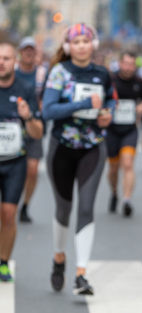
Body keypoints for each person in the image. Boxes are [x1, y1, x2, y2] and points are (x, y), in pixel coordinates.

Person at [42, 23, 115, 295]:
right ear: (68, 46)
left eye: (86, 40)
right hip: (61, 148)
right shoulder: (59, 73)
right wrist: (83, 105)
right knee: (63, 208)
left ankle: (81, 273)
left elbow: (111, 102)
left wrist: (107, 114)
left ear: (93, 45)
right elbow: (48, 110)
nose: (82, 45)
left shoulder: (102, 74)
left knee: (86, 207)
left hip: (93, 148)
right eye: (77, 41)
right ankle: (59, 256)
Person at [0, 42, 43, 282]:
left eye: (6, 58)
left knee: (8, 214)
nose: (1, 62)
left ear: (14, 61)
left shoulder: (25, 88)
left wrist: (28, 117)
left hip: (15, 161)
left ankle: (3, 262)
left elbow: (38, 132)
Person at [107, 51, 142, 216]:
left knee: (128, 163)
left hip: (130, 129)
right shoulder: (111, 80)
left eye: (132, 64)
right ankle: (115, 192)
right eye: (126, 63)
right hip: (111, 129)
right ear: (120, 64)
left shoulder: (139, 82)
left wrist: (141, 107)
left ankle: (127, 199)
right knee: (114, 168)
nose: (129, 67)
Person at [15, 37, 47, 223]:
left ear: (35, 53)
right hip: (11, 127)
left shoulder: (43, 74)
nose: (28, 53)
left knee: (32, 169)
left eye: (31, 50)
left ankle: (25, 205)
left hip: (34, 124)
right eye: (25, 49)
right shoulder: (11, 72)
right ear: (20, 52)